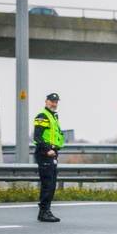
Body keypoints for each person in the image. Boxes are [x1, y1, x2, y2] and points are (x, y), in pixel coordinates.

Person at [32, 92, 65, 222]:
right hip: (45, 153)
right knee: (48, 184)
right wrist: (47, 150)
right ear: (46, 101)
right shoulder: (43, 116)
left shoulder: (53, 116)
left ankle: (45, 211)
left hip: (52, 153)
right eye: (52, 101)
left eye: (56, 102)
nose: (54, 104)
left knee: (51, 184)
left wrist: (56, 149)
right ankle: (44, 212)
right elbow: (37, 137)